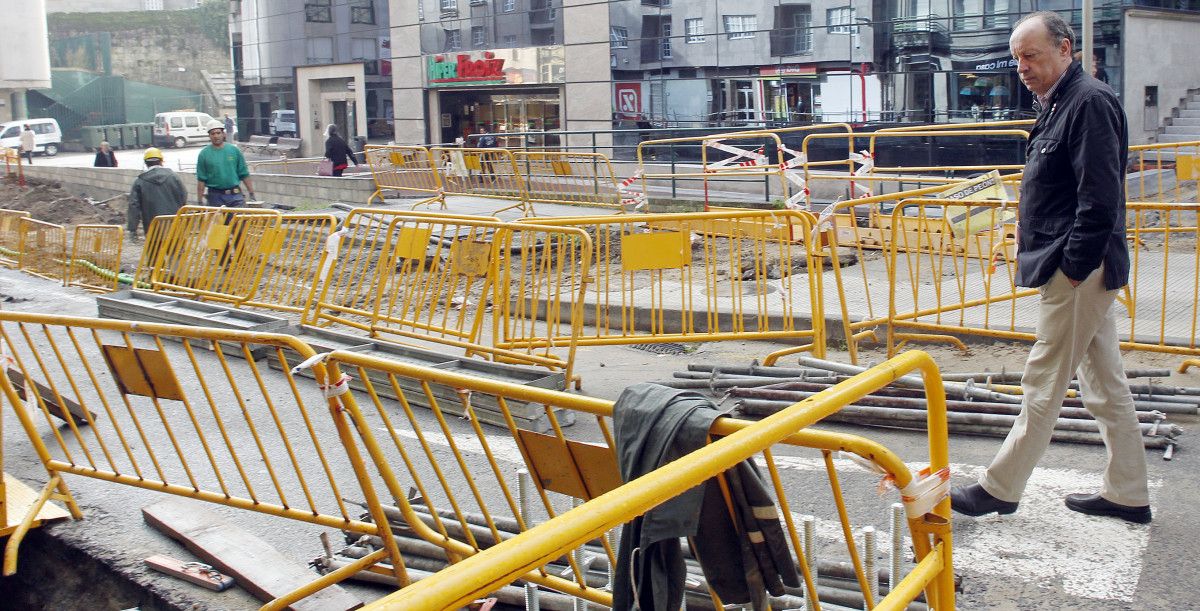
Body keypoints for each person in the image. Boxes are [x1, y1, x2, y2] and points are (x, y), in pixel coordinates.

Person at [950, 12, 1150, 524]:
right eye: (1017, 57)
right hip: (1073, 263)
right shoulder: (1063, 102)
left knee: (1044, 379)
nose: (1022, 66)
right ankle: (1127, 493)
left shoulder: (1087, 102)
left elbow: (1101, 198)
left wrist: (1077, 267)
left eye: (1031, 55)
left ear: (1065, 49)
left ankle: (1000, 488)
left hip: (1078, 268)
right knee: (1105, 385)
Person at [127, 147, 186, 241]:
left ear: (146, 163)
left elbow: (134, 206)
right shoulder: (174, 177)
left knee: (154, 254)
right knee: (175, 254)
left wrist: (132, 229)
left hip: (152, 228)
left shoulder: (139, 182)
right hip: (174, 226)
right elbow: (183, 198)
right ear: (161, 161)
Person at [195, 119, 255, 207]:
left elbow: (244, 174)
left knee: (238, 220)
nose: (216, 136)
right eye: (213, 133)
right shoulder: (204, 154)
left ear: (224, 134)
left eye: (218, 133)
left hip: (235, 196)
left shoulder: (234, 150)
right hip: (214, 197)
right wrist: (200, 202)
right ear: (209, 136)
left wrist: (251, 193)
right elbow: (201, 180)